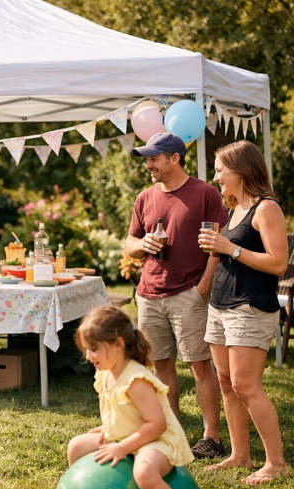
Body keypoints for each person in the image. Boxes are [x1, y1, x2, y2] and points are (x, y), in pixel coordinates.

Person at [125, 132, 227, 460]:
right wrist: (143, 245)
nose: (149, 165)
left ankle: (211, 436)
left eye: (154, 158)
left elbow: (217, 243)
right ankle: (171, 430)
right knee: (161, 365)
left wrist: (205, 285)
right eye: (148, 159)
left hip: (189, 292)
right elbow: (130, 242)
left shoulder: (205, 194)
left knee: (199, 364)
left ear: (174, 158)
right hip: (149, 293)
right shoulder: (144, 198)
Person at [198, 140, 289, 484]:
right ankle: (240, 455)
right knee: (226, 383)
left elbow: (278, 263)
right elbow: (230, 253)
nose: (217, 176)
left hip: (249, 306)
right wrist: (218, 249)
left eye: (221, 169)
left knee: (245, 385)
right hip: (221, 304)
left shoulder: (267, 209)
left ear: (241, 170)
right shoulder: (234, 206)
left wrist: (229, 248)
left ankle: (276, 464)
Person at [67, 305, 194, 489]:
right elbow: (124, 411)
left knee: (144, 473)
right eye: (86, 349)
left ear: (118, 344)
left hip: (158, 442)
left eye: (94, 349)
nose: (88, 356)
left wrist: (122, 447)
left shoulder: (136, 379)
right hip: (128, 437)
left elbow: (157, 425)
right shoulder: (106, 372)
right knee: (77, 447)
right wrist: (109, 427)